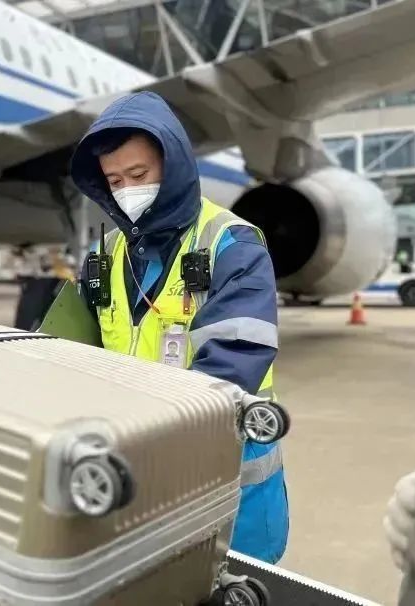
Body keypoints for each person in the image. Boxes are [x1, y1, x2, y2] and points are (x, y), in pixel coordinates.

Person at [69, 91, 287, 563]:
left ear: (174, 167)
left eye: (138, 175)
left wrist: (145, 448)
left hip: (227, 482)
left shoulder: (232, 245)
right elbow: (68, 353)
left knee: (232, 582)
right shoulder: (104, 256)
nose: (126, 190)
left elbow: (231, 367)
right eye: (114, 181)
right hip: (136, 476)